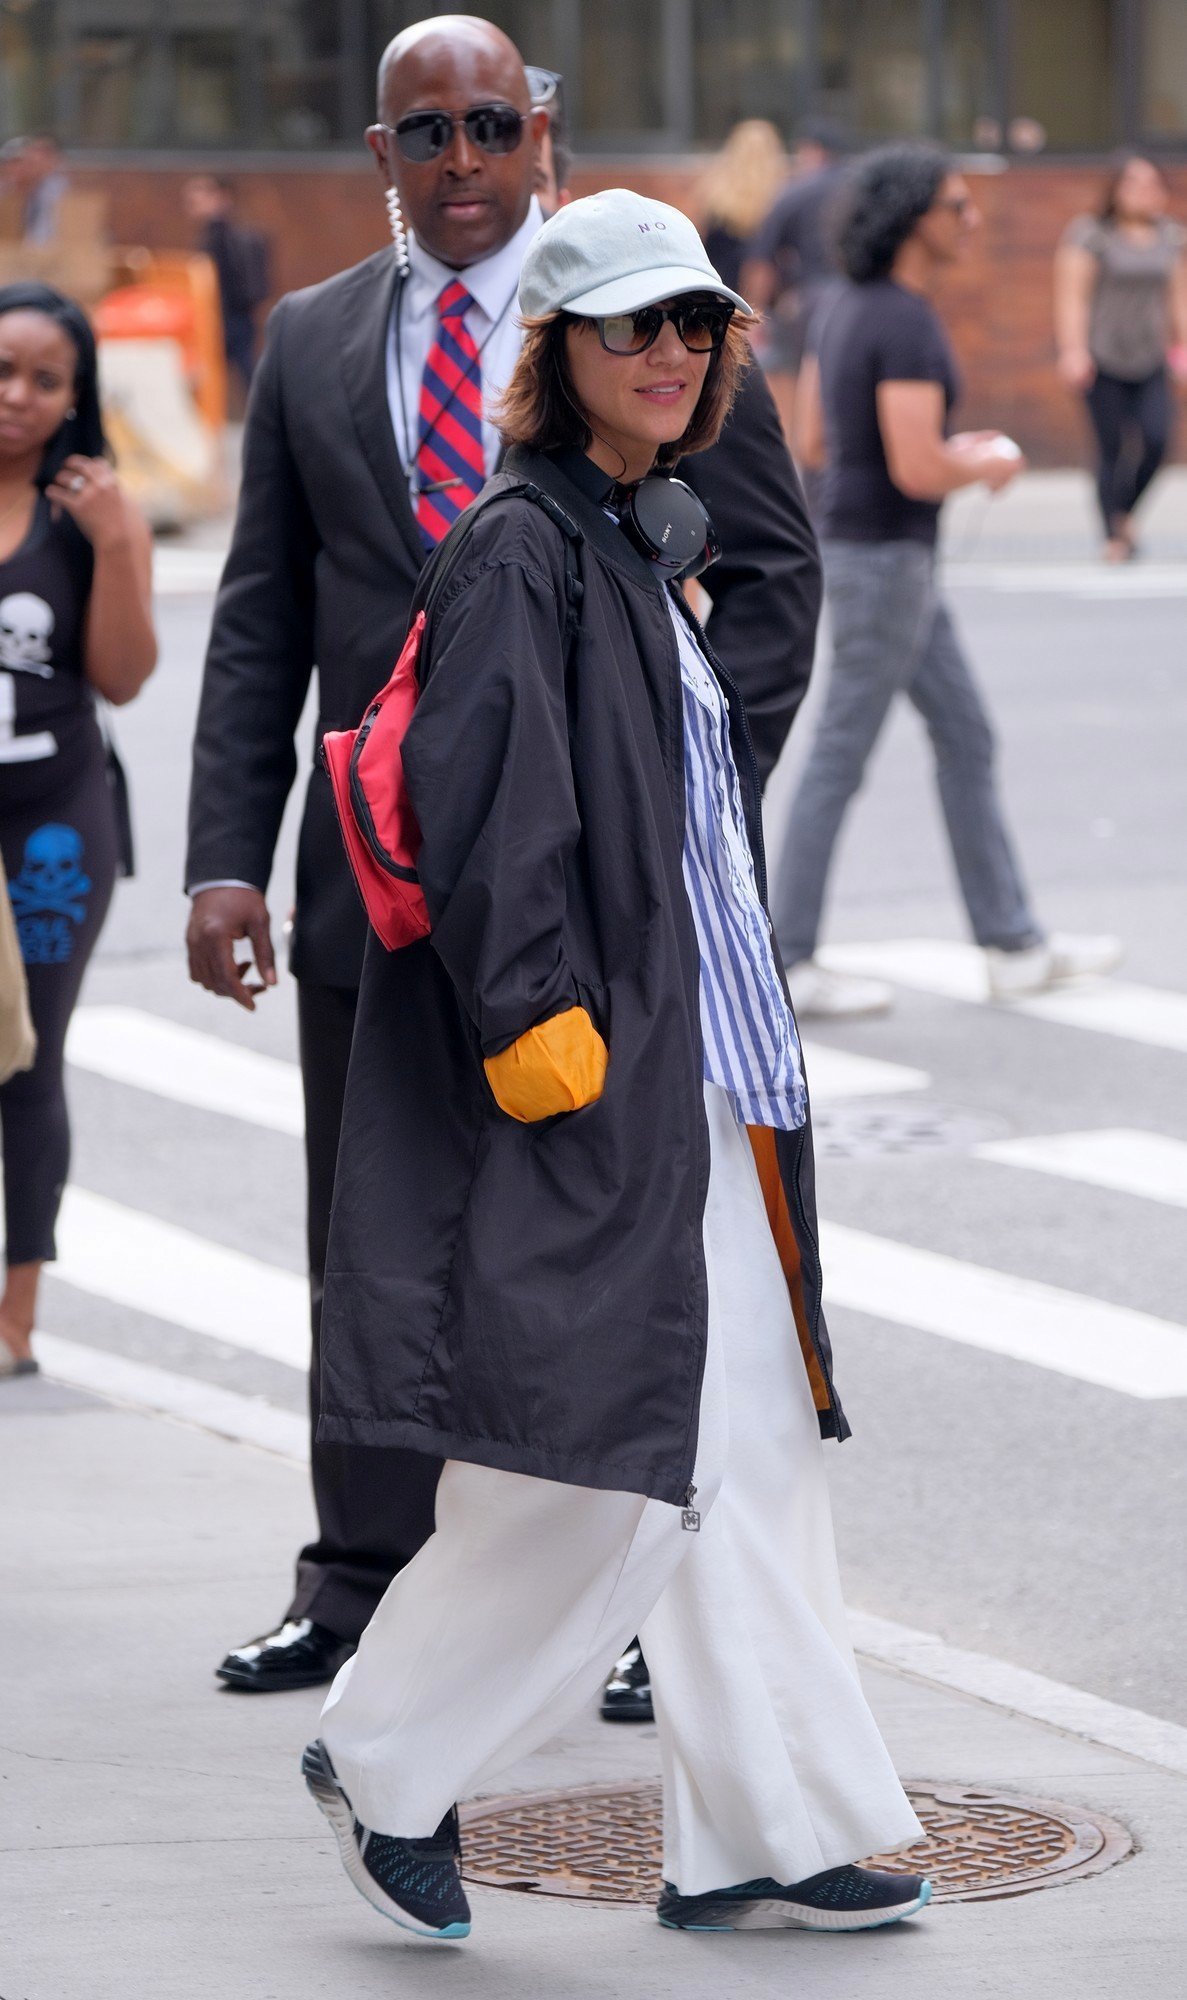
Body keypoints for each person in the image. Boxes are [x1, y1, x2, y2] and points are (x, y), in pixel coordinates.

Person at [302, 187, 930, 1946]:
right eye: (628, 326)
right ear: (555, 355)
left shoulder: (633, 541)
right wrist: (535, 1029)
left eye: (692, 326)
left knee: (737, 1448)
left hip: (711, 1069)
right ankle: (387, 1754)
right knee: (602, 1452)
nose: (667, 352)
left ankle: (763, 1821)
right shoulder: (524, 541)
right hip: (603, 1074)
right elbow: (493, 810)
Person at [186, 15, 822, 1699]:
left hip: (596, 901)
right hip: (386, 891)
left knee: (602, 1242)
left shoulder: (646, 319)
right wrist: (222, 862)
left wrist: (670, 793)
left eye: (486, 126)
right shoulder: (312, 340)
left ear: (539, 130)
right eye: (424, 136)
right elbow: (261, 621)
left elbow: (767, 581)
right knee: (377, 1235)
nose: (459, 165)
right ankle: (359, 1578)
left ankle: (617, 1602)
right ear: (381, 158)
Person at [771, 144, 1122, 1020]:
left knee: (965, 735)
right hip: (886, 559)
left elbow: (815, 441)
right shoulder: (906, 323)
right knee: (838, 756)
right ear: (913, 220)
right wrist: (989, 457)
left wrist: (941, 461)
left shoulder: (844, 307)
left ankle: (1011, 944)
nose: (970, 220)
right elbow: (917, 465)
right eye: (956, 207)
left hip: (869, 553)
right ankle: (787, 955)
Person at [0, 282, 156, 1379]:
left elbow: (124, 677)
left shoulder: (87, 510)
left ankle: (15, 1313)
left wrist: (119, 541)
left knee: (27, 1062)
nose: (17, 395)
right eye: (2, 370)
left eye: (45, 380)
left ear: (73, 398)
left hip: (52, 825)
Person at [1054, 154, 1187, 562]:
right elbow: (1072, 298)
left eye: (1152, 184)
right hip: (1103, 357)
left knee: (1156, 439)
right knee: (1111, 447)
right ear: (1115, 190)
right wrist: (1073, 351)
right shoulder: (1091, 235)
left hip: (1150, 357)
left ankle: (1124, 513)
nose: (1144, 193)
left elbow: (1178, 299)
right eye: (1134, 183)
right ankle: (1113, 533)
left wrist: (1181, 349)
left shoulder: (1171, 237)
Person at [740, 118, 849, 449]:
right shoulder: (860, 189)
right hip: (857, 300)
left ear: (813, 152)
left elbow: (761, 263)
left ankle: (798, 454)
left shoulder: (795, 192)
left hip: (808, 301)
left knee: (791, 379)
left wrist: (750, 317)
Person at [181, 174, 272, 395]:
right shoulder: (218, 235)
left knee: (238, 373)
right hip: (231, 316)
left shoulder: (220, 236)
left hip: (227, 317)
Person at [694, 118, 788, 299]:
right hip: (767, 298)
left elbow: (702, 246)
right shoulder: (783, 196)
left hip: (720, 290)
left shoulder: (713, 193)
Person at [0, 136, 68, 245]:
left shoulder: (57, 191)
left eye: (21, 162)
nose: (15, 168)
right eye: (9, 162)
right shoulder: (6, 193)